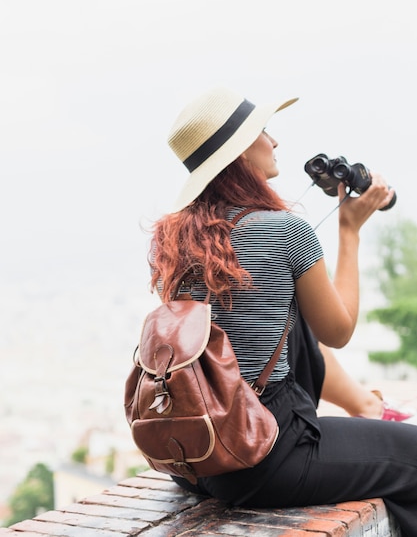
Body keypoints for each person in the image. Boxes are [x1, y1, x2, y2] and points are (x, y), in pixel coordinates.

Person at [149, 86, 417, 536]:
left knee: (290, 323)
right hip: (266, 453)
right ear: (240, 152)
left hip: (197, 457)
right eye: (263, 132)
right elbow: (338, 330)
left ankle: (368, 408)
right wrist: (349, 230)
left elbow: (283, 337)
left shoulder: (174, 239)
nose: (275, 142)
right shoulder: (285, 230)